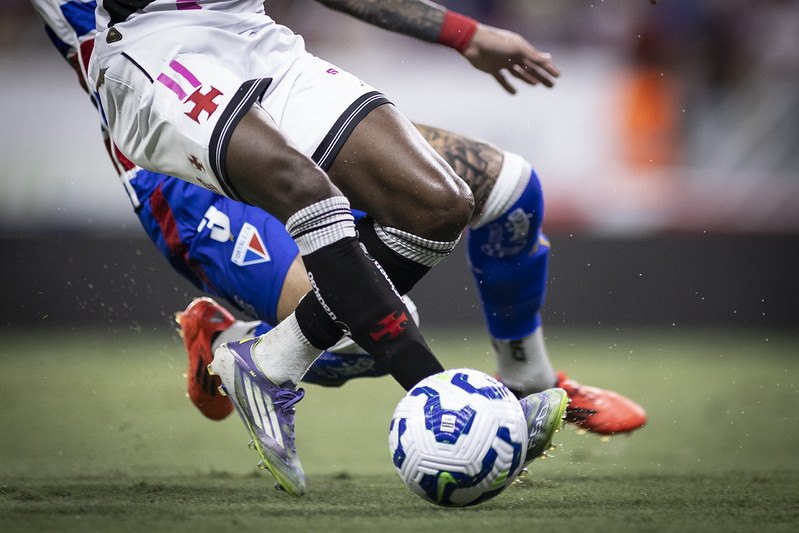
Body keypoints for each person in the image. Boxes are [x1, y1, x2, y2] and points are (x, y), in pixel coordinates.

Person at [39, 0, 573, 495]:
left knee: (442, 204)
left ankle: (266, 356)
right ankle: (446, 402)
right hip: (156, 60)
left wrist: (465, 32)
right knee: (339, 273)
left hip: (251, 37)